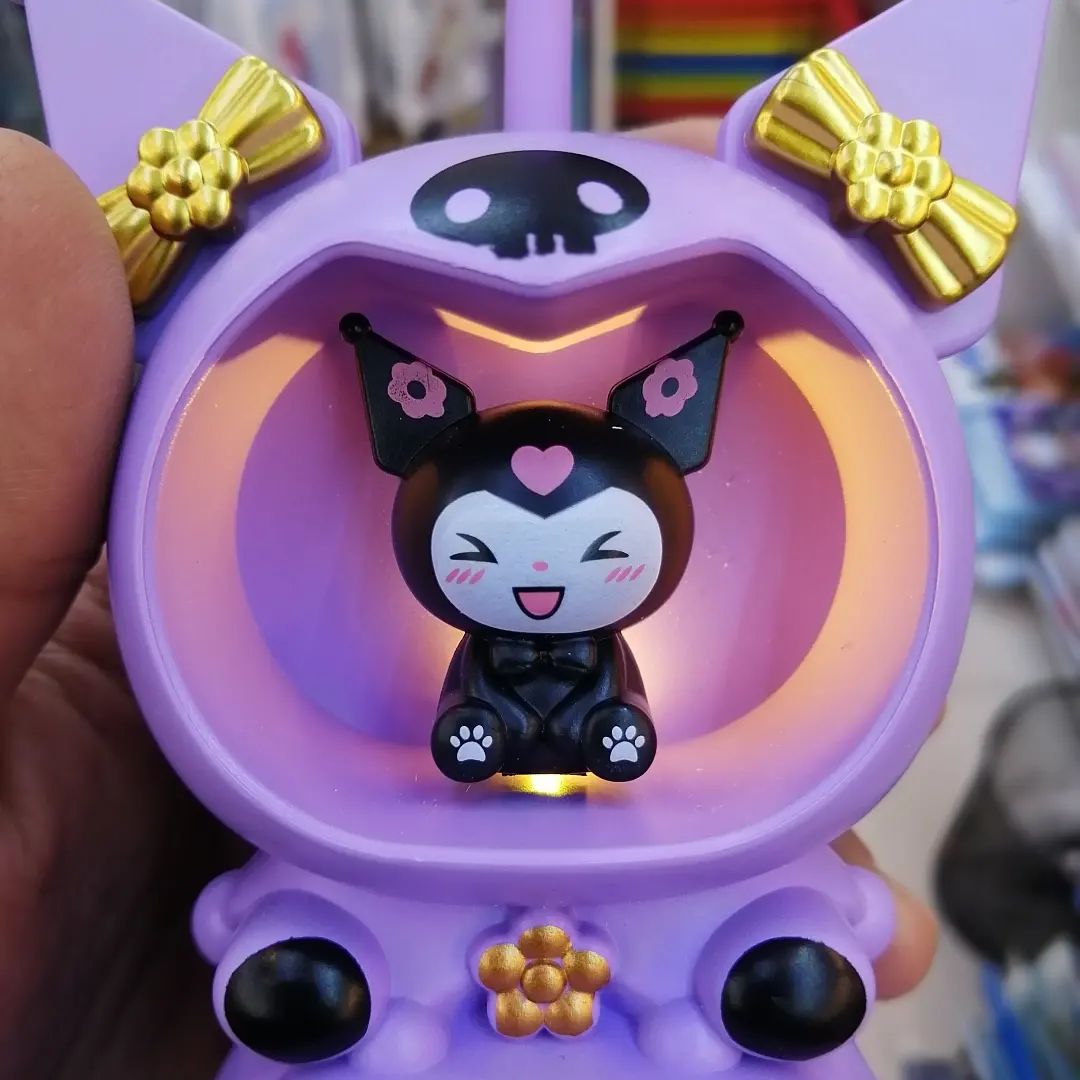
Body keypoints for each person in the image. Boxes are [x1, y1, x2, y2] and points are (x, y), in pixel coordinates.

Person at [0, 118, 938, 1079]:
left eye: (601, 550)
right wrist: (470, 725)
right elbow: (464, 685)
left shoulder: (624, 657)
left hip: (609, 773)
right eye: (485, 550)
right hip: (429, 814)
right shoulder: (445, 666)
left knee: (775, 969)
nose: (541, 580)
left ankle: (743, 965)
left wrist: (619, 719)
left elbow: (626, 685)